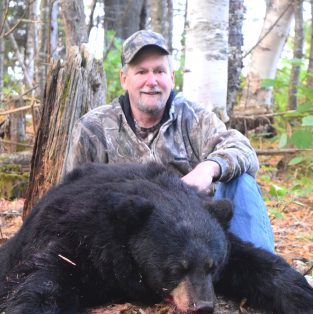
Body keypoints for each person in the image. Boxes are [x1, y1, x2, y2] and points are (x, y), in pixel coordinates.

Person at [62, 30, 274, 252]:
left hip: (196, 244)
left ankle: (263, 274)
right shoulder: (93, 128)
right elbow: (72, 197)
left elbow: (243, 150)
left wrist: (208, 169)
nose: (151, 81)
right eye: (141, 71)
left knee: (241, 181)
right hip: (126, 248)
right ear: (124, 79)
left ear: (172, 78)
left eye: (159, 71)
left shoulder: (194, 118)